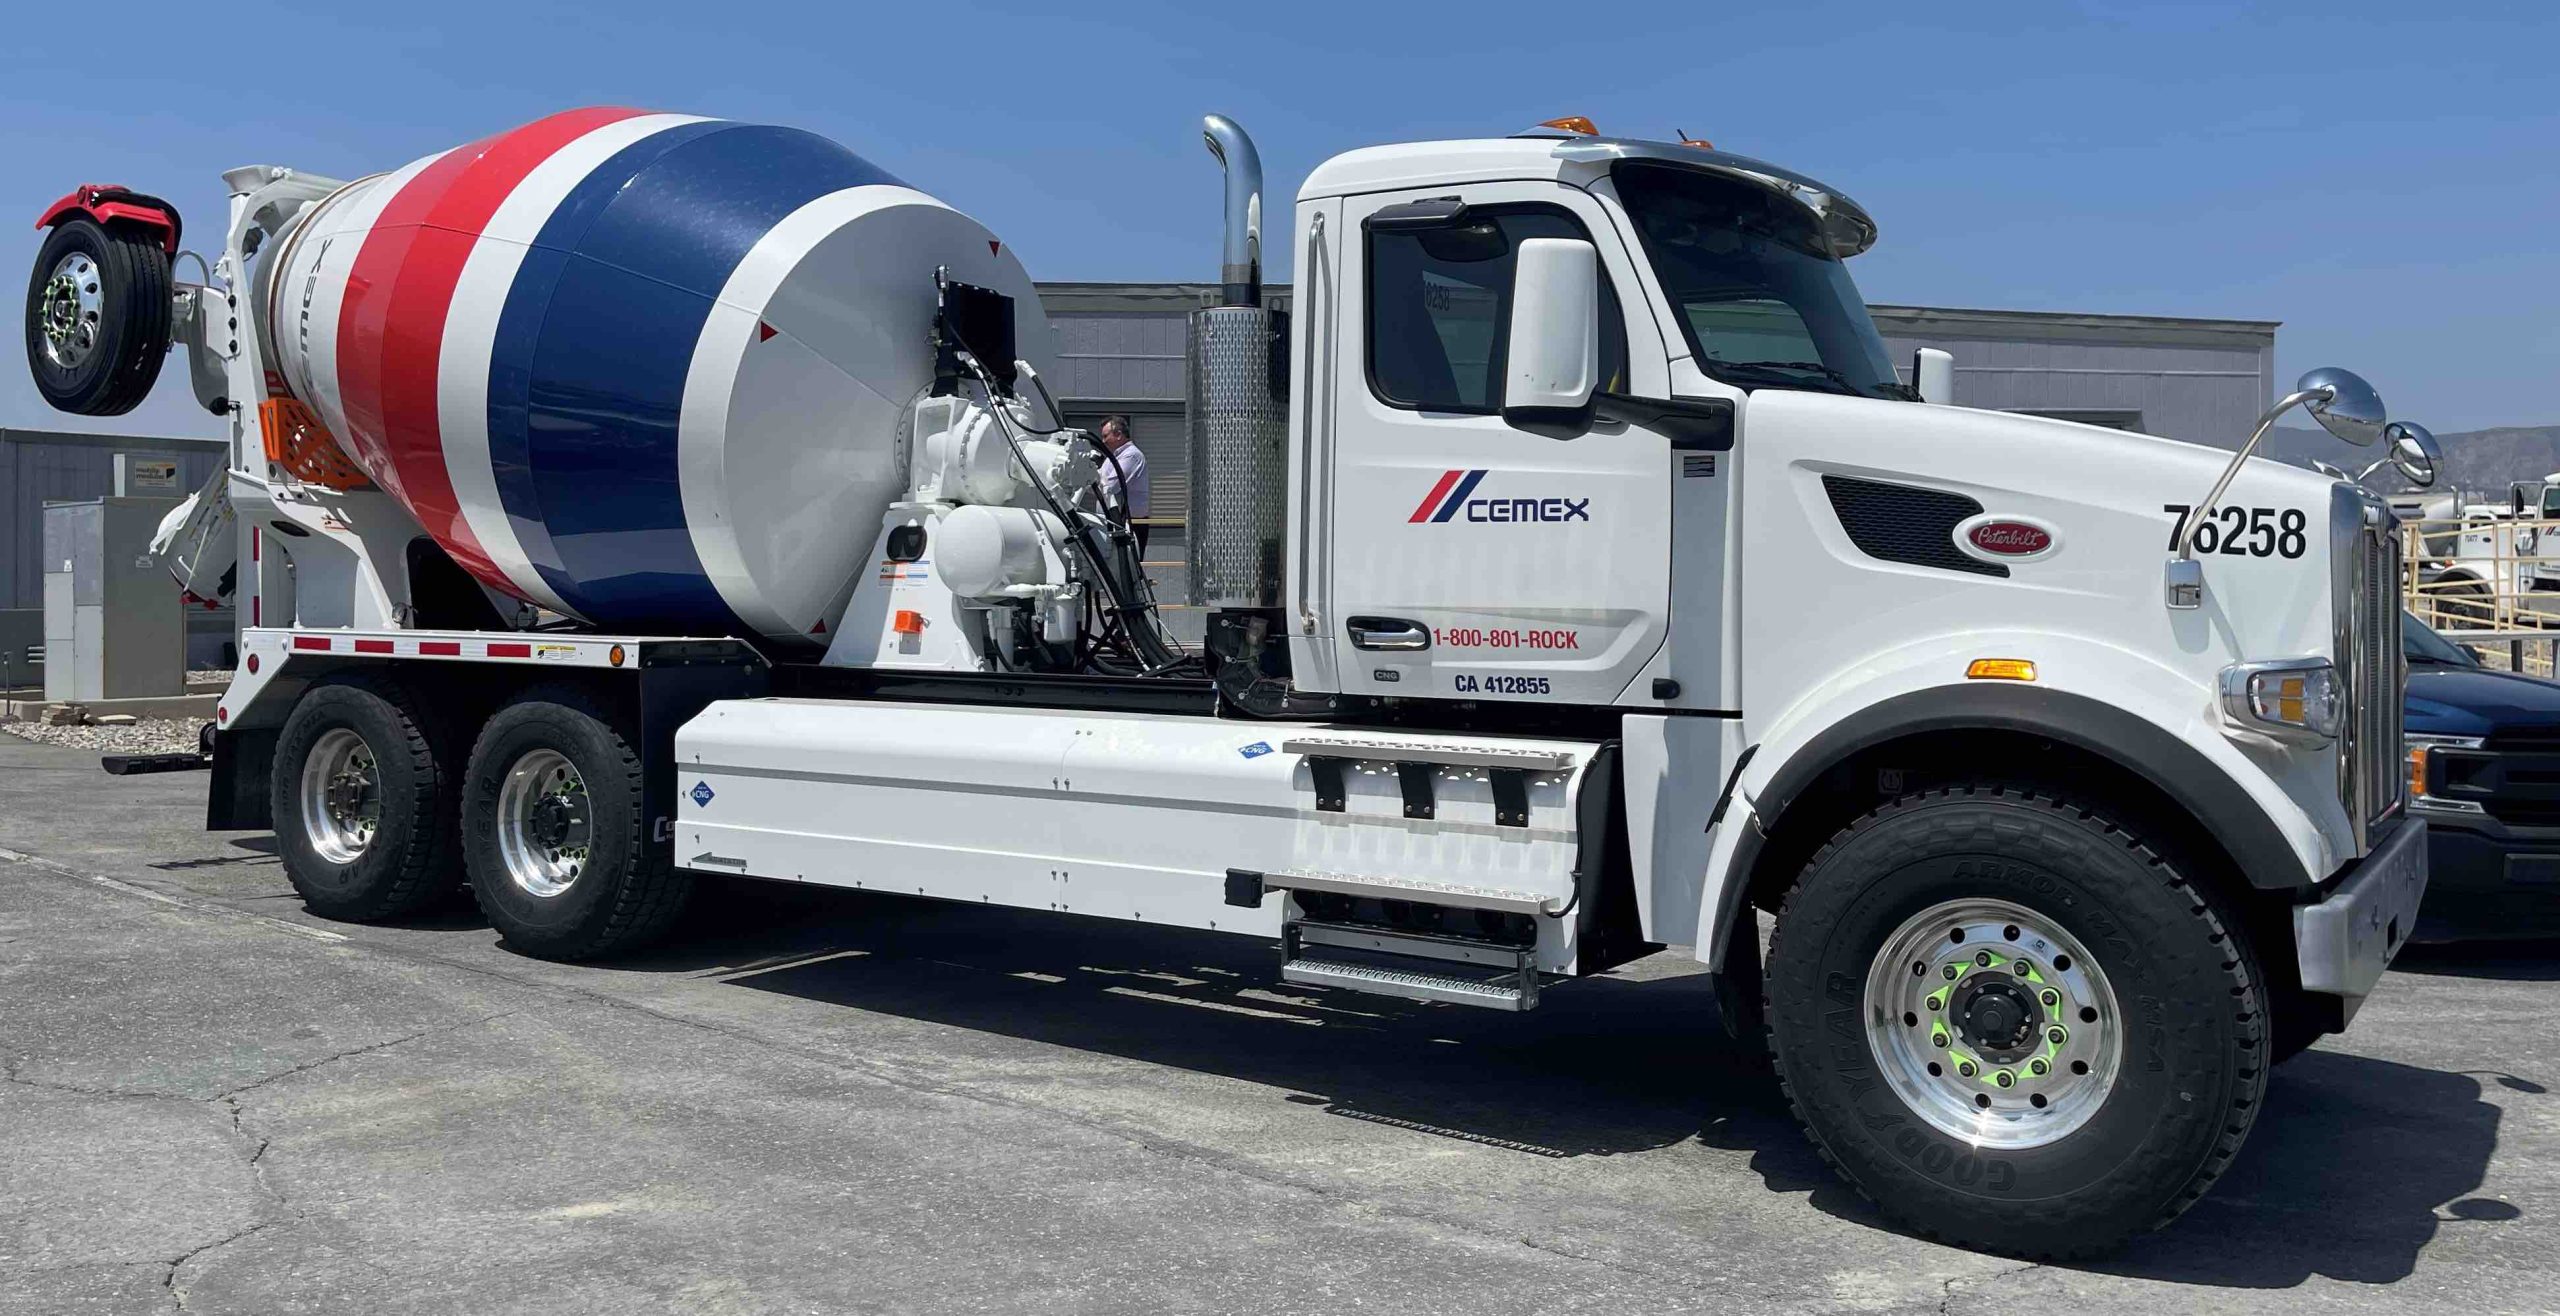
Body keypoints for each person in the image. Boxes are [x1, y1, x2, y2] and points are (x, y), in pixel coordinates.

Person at [1093, 415, 1152, 554]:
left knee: (1129, 564)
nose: (1103, 441)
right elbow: (1099, 485)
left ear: (1118, 435)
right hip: (1113, 522)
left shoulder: (1132, 455)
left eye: (1105, 436)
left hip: (1131, 523)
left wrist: (1090, 478)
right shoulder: (1112, 457)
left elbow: (1110, 486)